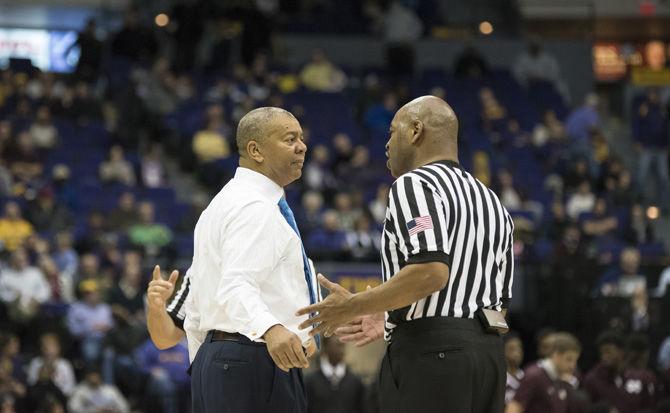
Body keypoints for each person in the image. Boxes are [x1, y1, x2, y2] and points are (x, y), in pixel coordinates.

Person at [297, 96, 515, 413]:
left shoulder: (413, 184)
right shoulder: (492, 201)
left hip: (431, 355)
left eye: (392, 131)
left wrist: (352, 306)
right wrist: (389, 313)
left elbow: (431, 271)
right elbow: (495, 301)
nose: (386, 144)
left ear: (415, 131)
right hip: (491, 356)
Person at [182, 107, 319, 412]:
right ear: (255, 150)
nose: (302, 146)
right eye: (290, 139)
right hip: (254, 359)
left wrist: (205, 363)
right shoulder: (255, 206)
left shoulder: (223, 203)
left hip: (220, 360)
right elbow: (235, 284)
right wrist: (272, 329)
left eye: (301, 138)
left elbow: (197, 299)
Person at [506, 333, 583, 413]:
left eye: (575, 360)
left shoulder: (564, 378)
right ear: (556, 355)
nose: (572, 365)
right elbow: (514, 407)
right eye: (569, 359)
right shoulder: (534, 375)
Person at [305, 337, 366, 413]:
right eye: (338, 345)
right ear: (326, 348)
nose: (341, 350)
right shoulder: (310, 382)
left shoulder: (356, 381)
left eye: (343, 345)